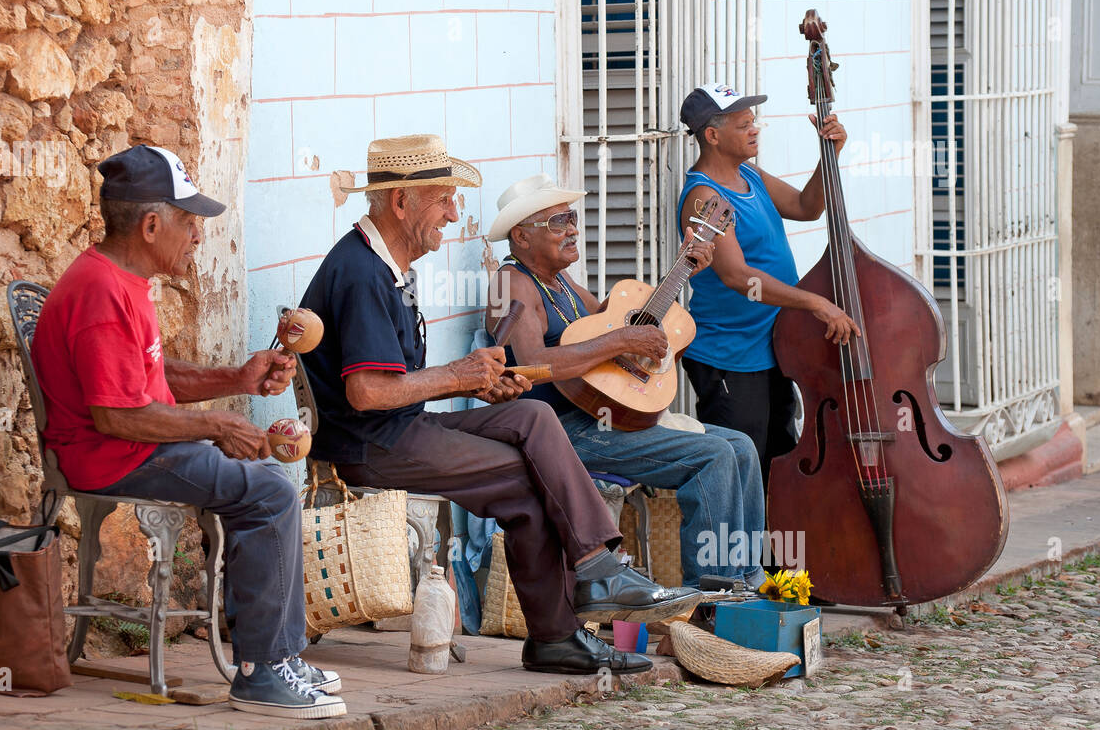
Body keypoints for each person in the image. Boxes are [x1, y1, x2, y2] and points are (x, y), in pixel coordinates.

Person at [299, 134, 701, 676]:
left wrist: (480, 382)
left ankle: (594, 570)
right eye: (443, 198)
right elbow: (366, 392)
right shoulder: (362, 272)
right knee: (530, 480)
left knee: (530, 413)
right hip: (370, 442)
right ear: (401, 202)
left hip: (400, 427)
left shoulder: (388, 266)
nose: (453, 211)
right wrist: (455, 375)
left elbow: (400, 383)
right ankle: (564, 624)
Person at [31, 144, 344, 719]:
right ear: (151, 225)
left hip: (134, 444)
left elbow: (146, 376)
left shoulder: (122, 279)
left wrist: (238, 379)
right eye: (189, 220)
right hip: (113, 455)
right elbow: (116, 414)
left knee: (264, 481)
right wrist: (218, 425)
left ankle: (279, 656)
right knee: (270, 492)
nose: (198, 235)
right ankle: (262, 672)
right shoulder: (101, 291)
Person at [486, 174, 768, 589]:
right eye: (557, 223)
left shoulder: (560, 282)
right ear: (521, 237)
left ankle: (746, 580)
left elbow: (611, 322)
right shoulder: (511, 284)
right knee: (713, 456)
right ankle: (711, 598)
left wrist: (682, 267)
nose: (572, 230)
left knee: (740, 447)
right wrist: (622, 338)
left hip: (598, 416)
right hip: (558, 431)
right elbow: (534, 363)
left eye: (572, 218)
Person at [675, 83, 859, 481]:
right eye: (744, 125)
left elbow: (807, 207)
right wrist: (815, 303)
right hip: (730, 358)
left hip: (773, 346)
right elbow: (736, 275)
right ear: (713, 135)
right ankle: (736, 546)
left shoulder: (750, 176)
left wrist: (831, 155)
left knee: (778, 464)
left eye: (753, 121)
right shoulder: (705, 196)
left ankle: (776, 547)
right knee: (744, 473)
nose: (754, 129)